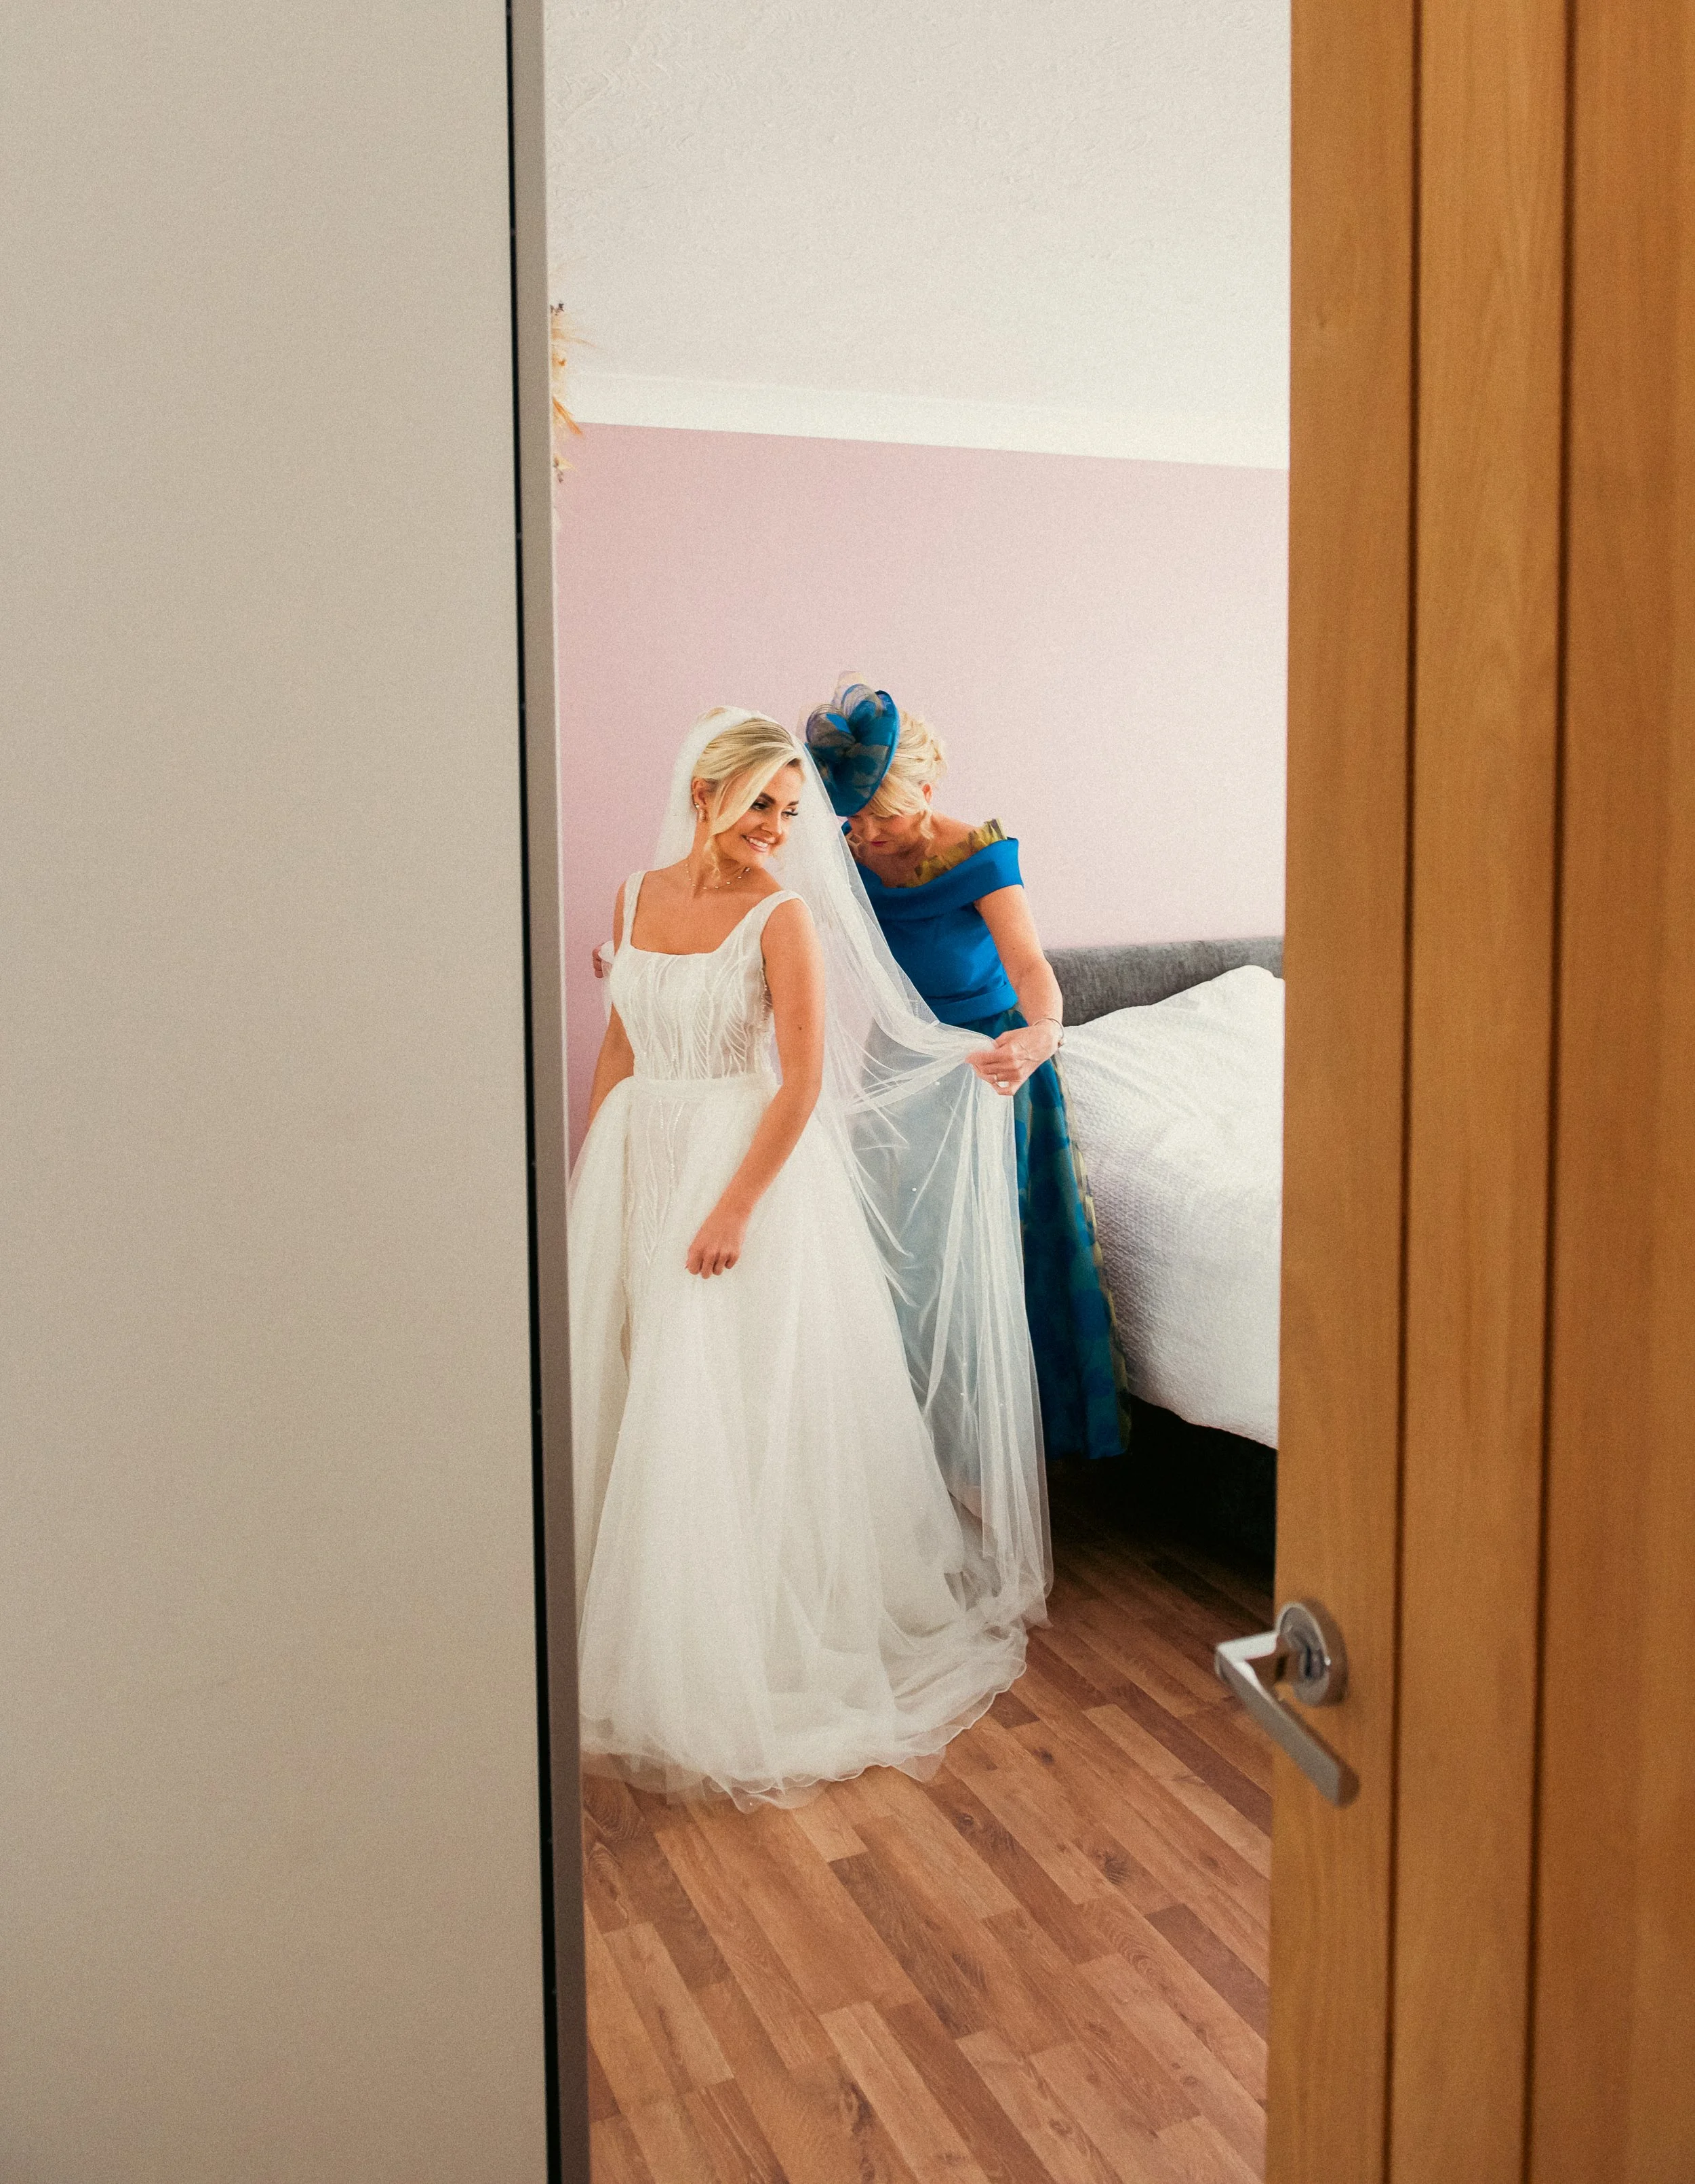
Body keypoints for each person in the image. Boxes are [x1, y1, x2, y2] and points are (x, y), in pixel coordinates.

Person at [569, 708, 1049, 1808]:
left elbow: (799, 1084)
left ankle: (737, 1637)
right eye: (764, 807)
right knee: (635, 1378)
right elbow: (622, 1042)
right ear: (707, 794)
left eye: (794, 813)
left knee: (720, 1394)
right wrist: (602, 1166)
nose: (779, 830)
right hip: (646, 1155)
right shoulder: (634, 900)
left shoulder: (784, 919)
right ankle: (641, 1611)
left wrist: (733, 1207)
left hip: (748, 1174)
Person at [805, 677, 1132, 1465]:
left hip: (989, 1064)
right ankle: (906, 1451)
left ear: (927, 788)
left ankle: (994, 1456)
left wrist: (1044, 1033)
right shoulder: (841, 849)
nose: (868, 835)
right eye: (855, 817)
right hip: (899, 1060)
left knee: (988, 1253)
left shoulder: (980, 857)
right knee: (898, 1249)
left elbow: (1030, 967)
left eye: (884, 815)